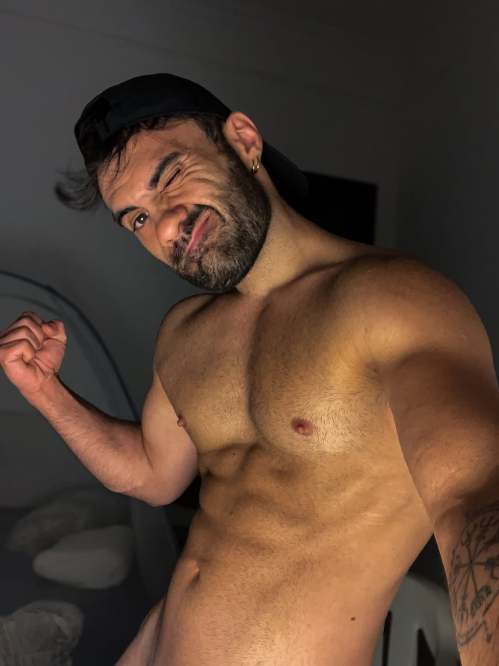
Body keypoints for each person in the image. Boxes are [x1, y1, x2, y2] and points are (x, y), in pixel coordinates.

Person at [1, 73, 498, 665]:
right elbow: (152, 475)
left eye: (170, 176)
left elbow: (474, 498)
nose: (164, 227)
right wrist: (45, 391)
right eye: (136, 219)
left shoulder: (391, 301)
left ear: (242, 141)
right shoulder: (186, 333)